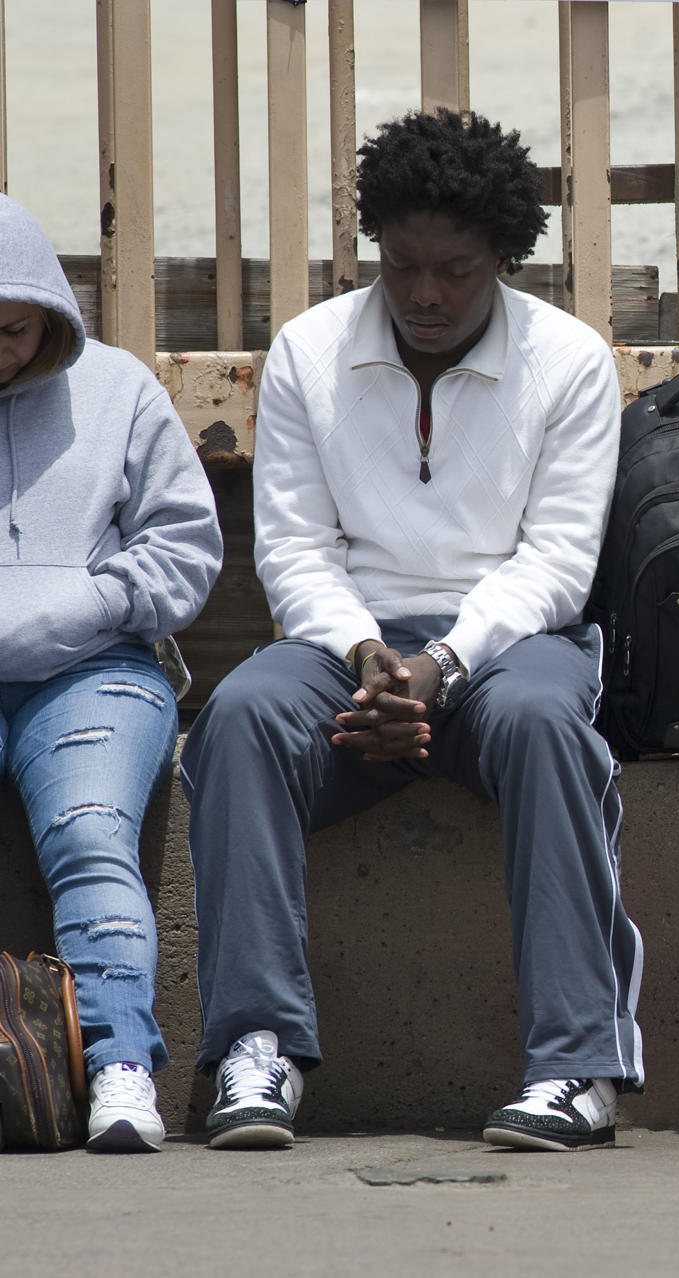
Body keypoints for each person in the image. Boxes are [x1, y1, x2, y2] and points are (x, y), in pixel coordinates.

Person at [181, 110, 642, 1152]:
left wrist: (443, 662)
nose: (427, 294)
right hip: (350, 648)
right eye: (403, 266)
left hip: (507, 643)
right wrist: (363, 656)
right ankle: (259, 1048)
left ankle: (575, 1067)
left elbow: (560, 564)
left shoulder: (567, 361)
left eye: (459, 271)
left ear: (506, 261)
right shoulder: (307, 350)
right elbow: (295, 549)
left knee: (540, 727)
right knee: (243, 715)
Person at [0, 194, 221, 1151]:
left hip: (91, 671)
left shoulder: (119, 388)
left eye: (10, 329)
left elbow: (184, 549)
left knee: (91, 832)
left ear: (49, 313)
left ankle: (119, 1064)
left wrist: (81, 608)